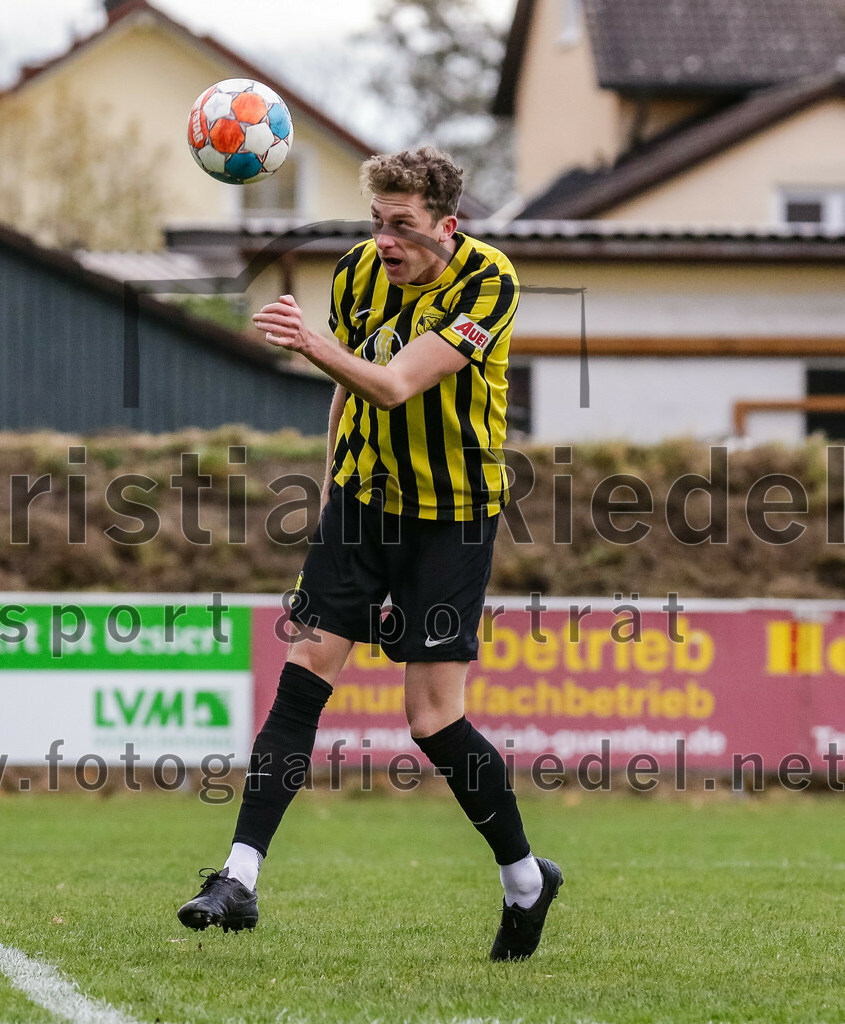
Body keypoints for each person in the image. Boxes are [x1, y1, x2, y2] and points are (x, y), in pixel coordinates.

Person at [177, 147, 562, 961]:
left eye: (403, 226)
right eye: (376, 223)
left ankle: (526, 880)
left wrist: (310, 345)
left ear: (445, 228)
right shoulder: (356, 274)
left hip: (452, 517)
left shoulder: (489, 282)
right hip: (362, 503)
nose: (385, 241)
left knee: (431, 719)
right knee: (305, 673)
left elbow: (391, 383)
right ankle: (238, 877)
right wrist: (327, 492)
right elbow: (349, 393)